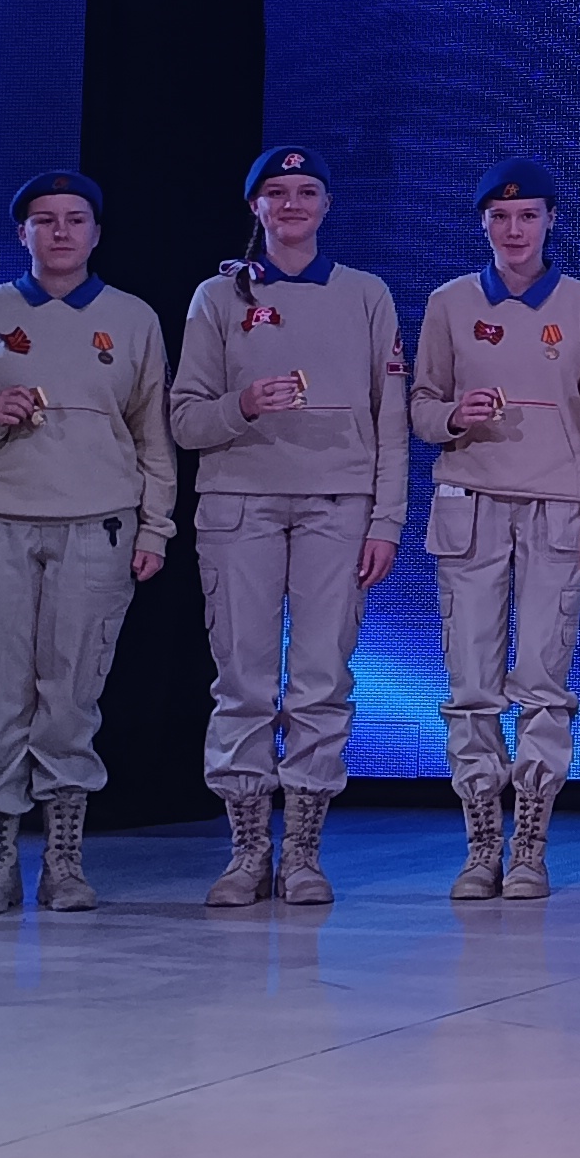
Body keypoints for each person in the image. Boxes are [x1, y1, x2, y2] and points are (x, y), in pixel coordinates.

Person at [169, 146, 408, 904]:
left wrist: (388, 520)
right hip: (239, 505)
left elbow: (392, 420)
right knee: (243, 677)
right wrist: (242, 404)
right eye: (278, 192)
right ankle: (247, 851)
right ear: (256, 207)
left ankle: (302, 852)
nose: (293, 203)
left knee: (321, 679)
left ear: (327, 205)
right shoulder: (218, 296)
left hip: (338, 506)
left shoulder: (365, 294)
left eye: (307, 191)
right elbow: (184, 419)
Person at [0, 173, 172, 914]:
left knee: (70, 696)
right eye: (45, 220)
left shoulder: (132, 318)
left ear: (96, 233)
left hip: (97, 522)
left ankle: (64, 862)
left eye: (76, 219)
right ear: (23, 234)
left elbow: (153, 433)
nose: (62, 232)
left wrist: (155, 526)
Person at [410, 159, 580, 890]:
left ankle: (529, 844)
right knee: (471, 682)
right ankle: (481, 841)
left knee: (542, 680)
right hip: (469, 505)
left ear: (550, 220)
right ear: (483, 223)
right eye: (500, 217)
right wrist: (452, 415)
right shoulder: (449, 302)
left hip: (556, 509)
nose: (514, 229)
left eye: (528, 215)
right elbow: (420, 407)